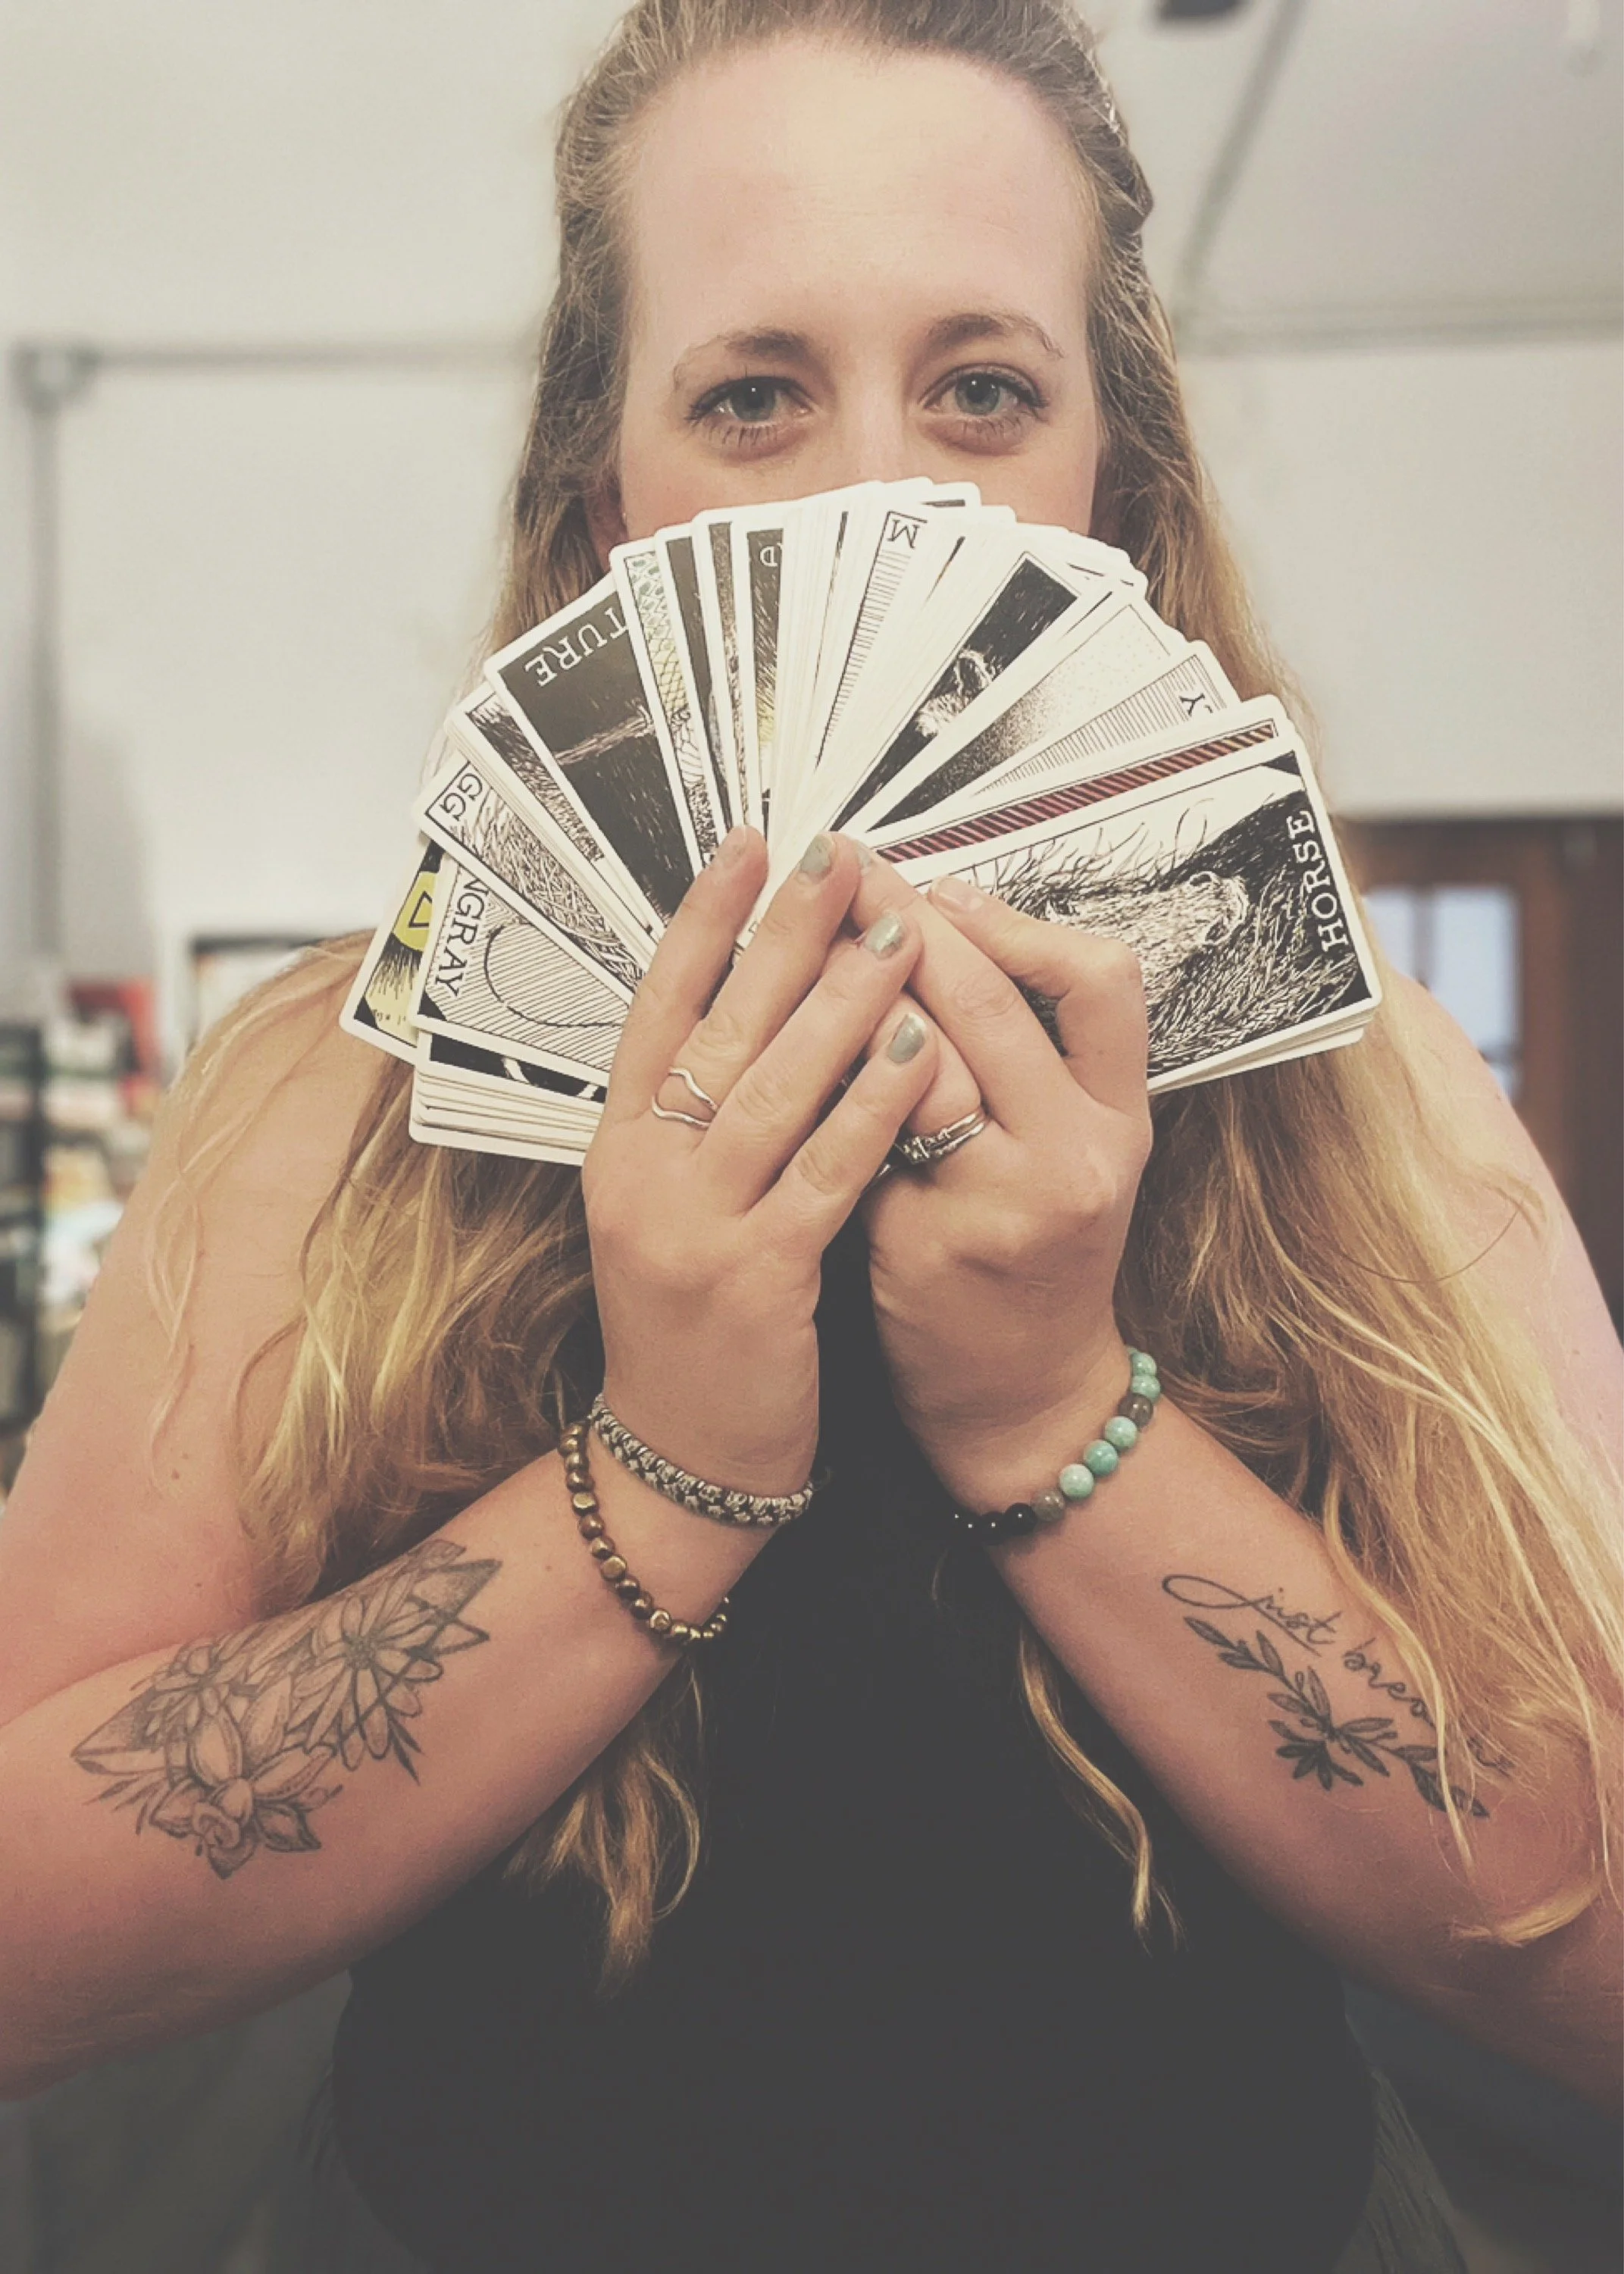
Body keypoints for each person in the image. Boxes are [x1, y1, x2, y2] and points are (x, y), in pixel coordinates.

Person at [1, 2, 1618, 2267]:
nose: (882, 497)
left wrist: (1054, 1408)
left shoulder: (1365, 1096)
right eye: (755, 395)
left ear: (1116, 486)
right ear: (610, 506)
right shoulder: (335, 1100)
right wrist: (660, 1473)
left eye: (983, 391)